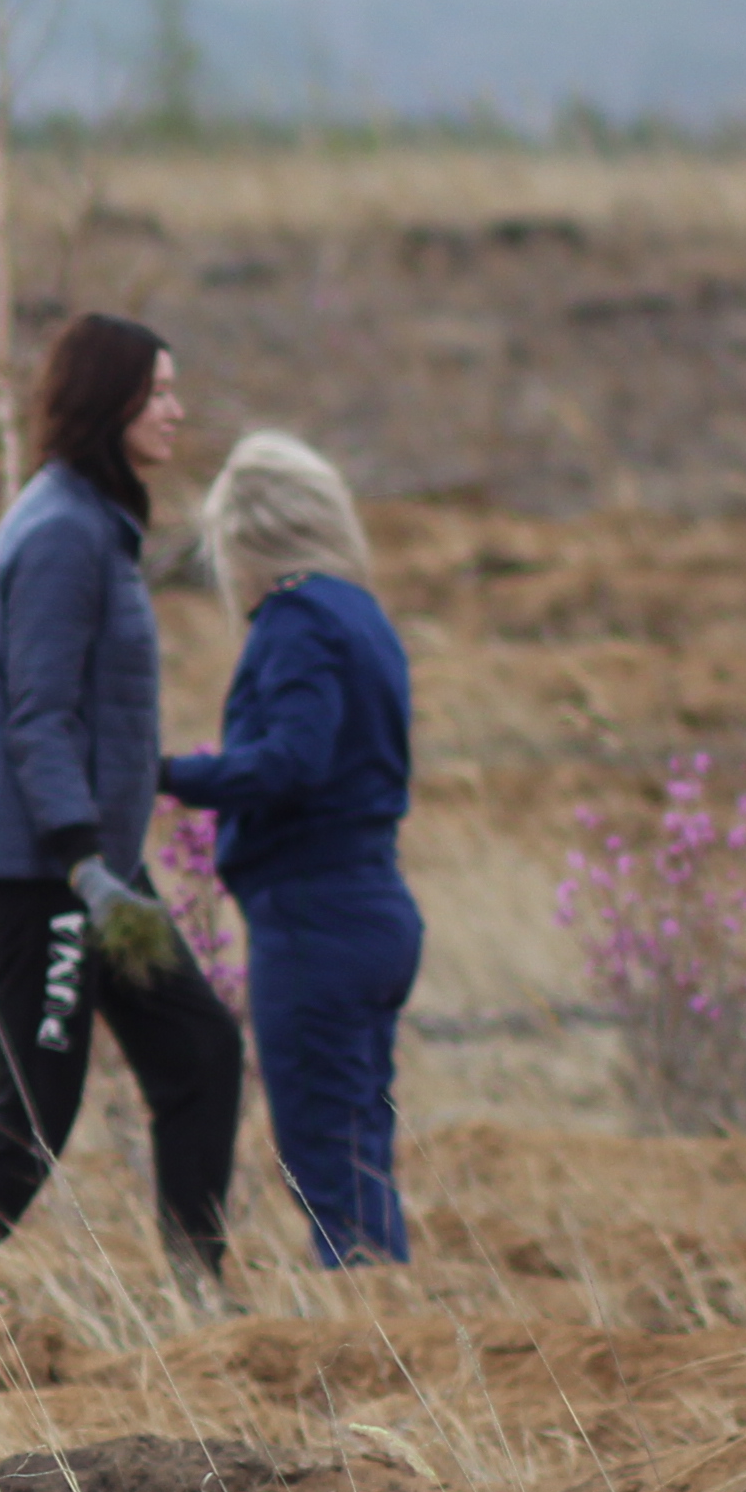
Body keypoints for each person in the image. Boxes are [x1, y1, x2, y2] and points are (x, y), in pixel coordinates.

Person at [0, 314, 250, 1285]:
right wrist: (83, 859)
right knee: (33, 1114)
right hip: (43, 873)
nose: (176, 411)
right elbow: (40, 717)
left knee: (199, 1055)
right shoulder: (63, 534)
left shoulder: (88, 519)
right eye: (156, 393)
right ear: (107, 403)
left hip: (90, 866)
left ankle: (197, 1293)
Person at [162, 434, 420, 1265]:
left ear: (248, 537)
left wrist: (167, 773)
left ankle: (371, 1341)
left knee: (323, 1157)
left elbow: (293, 760)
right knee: (355, 1143)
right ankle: (384, 1320)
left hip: (316, 917)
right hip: (373, 906)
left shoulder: (299, 618)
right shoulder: (362, 614)